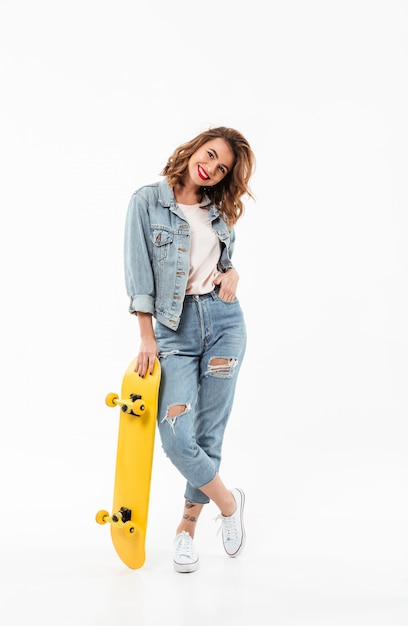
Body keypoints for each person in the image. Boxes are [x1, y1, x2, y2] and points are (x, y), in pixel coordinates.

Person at [124, 126, 255, 573]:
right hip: (174, 333)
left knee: (208, 433)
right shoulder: (146, 202)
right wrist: (147, 337)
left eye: (222, 169)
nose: (212, 168)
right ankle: (229, 503)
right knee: (177, 436)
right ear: (195, 147)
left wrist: (233, 272)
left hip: (224, 325)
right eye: (211, 155)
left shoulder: (217, 209)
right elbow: (139, 275)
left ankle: (186, 531)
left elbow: (219, 262)